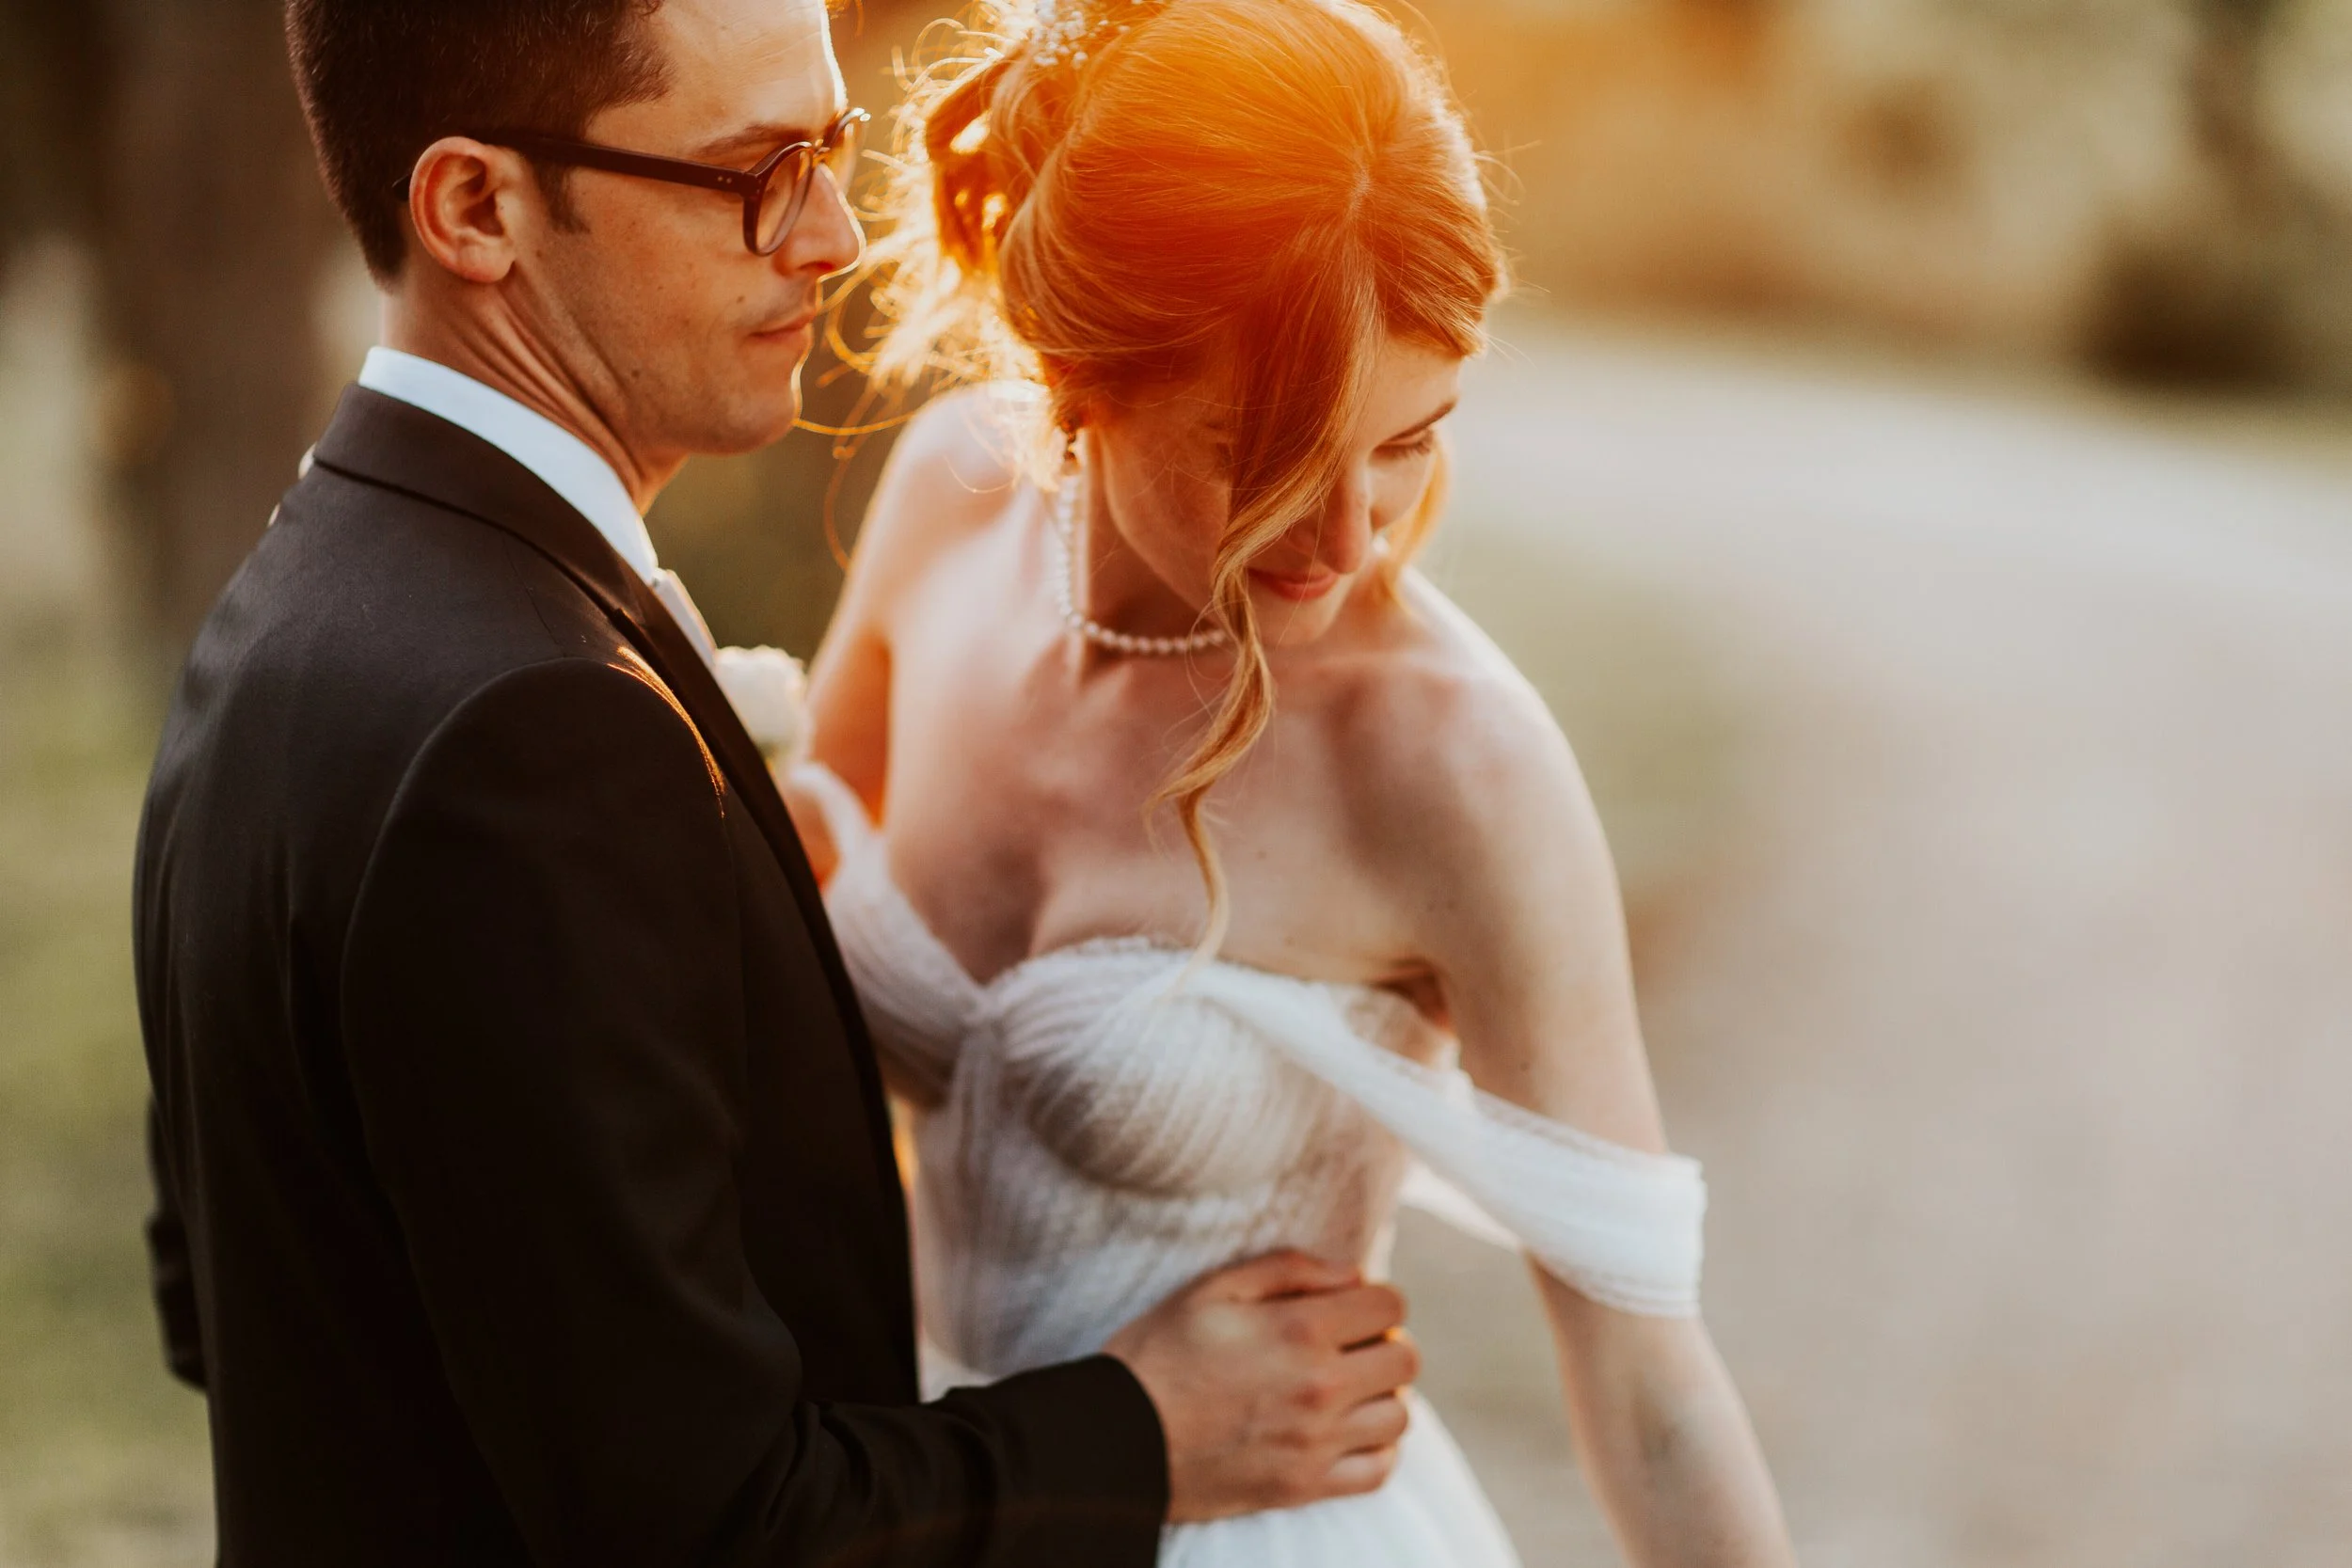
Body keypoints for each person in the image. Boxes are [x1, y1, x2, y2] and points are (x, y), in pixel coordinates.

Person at [131, 0, 1423, 1562]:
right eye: (753, 171)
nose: (828, 237)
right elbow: (718, 1527)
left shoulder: (303, 592)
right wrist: (1144, 1431)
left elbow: (223, 1294)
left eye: (827, 148)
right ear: (478, 208)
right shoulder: (533, 733)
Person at [788, 0, 1802, 1561]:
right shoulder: (948, 498)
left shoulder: (1456, 765)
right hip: (926, 1492)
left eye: (1407, 440)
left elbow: (1648, 1382)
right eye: (1255, 460)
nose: (1348, 540)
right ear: (1079, 373)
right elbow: (776, 960)